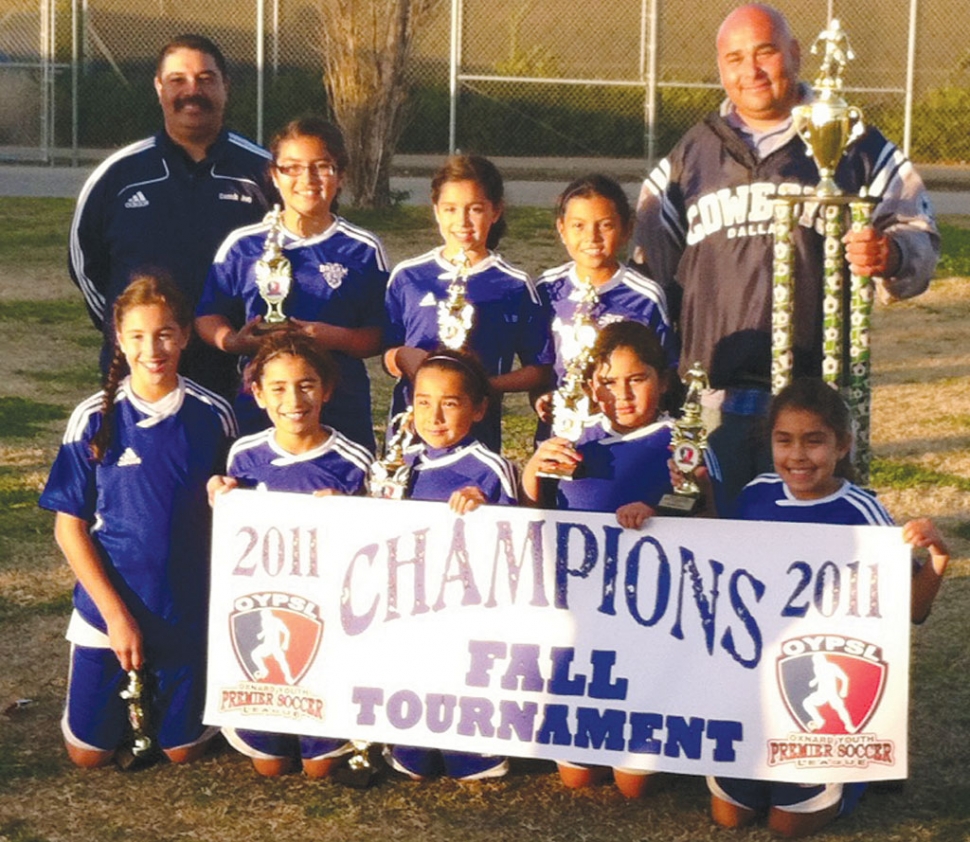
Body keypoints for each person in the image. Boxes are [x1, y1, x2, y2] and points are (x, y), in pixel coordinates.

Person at [631, 3, 939, 511]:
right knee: (711, 534)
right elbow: (648, 269)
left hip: (813, 400)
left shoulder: (854, 139)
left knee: (811, 540)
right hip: (713, 399)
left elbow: (919, 234)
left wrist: (891, 253)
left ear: (795, 54)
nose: (749, 70)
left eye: (765, 52)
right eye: (734, 58)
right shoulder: (695, 152)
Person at [707, 378, 948, 837]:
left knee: (786, 826)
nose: (798, 456)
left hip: (814, 691)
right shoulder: (755, 495)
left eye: (814, 441)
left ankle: (857, 773)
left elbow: (910, 611)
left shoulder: (861, 510)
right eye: (785, 440)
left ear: (842, 446)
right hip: (751, 693)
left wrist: (937, 559)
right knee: (731, 817)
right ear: (770, 443)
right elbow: (717, 562)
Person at [38, 274, 237, 768]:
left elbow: (235, 509)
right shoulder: (94, 418)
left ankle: (160, 695)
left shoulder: (214, 415)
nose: (154, 348)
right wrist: (115, 615)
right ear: (120, 341)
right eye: (139, 336)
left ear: (186, 335)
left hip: (185, 608)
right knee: (88, 756)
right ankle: (131, 687)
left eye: (166, 333)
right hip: (111, 608)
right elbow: (69, 527)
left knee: (181, 751)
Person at [522, 321, 718, 798]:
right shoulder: (577, 439)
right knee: (577, 778)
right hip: (585, 623)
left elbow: (715, 525)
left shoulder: (682, 441)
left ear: (663, 380)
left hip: (653, 626)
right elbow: (534, 523)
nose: (622, 394)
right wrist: (531, 470)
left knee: (633, 785)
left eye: (637, 379)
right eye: (608, 382)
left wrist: (660, 513)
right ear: (591, 386)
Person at [69, 34, 275, 398]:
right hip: (145, 370)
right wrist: (126, 326)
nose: (192, 91)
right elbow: (84, 265)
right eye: (178, 80)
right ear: (159, 87)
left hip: (238, 372)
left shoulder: (264, 173)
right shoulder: (117, 176)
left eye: (206, 79)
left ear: (226, 86)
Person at [207, 332, 371, 777]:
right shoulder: (244, 455)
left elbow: (374, 549)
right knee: (269, 767)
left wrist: (351, 515)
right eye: (278, 388)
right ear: (257, 394)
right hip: (265, 611)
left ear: (327, 389)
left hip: (328, 622)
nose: (293, 399)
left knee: (321, 769)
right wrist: (219, 496)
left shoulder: (355, 461)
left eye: (306, 385)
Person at [195, 116, 389, 451]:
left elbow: (379, 334)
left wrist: (333, 337)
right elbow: (207, 316)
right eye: (292, 168)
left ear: (340, 175)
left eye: (322, 167)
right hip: (264, 406)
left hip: (340, 404)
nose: (308, 179)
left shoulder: (363, 248)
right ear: (274, 175)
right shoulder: (243, 245)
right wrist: (234, 342)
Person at [385, 349, 517, 779]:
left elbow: (518, 546)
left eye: (451, 403)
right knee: (412, 669)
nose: (434, 416)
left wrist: (489, 505)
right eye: (423, 401)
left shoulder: (489, 468)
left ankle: (471, 748)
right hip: (407, 606)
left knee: (461, 673)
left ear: (479, 409)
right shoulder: (397, 462)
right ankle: (410, 740)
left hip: (469, 613)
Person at [383, 154, 549, 452]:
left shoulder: (513, 284)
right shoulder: (409, 276)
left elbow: (538, 368)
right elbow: (386, 351)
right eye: (450, 209)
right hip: (411, 430)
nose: (461, 221)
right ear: (435, 211)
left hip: (478, 434)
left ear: (495, 211)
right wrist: (402, 358)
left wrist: (485, 385)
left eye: (475, 209)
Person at [535, 174, 677, 433]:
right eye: (579, 226)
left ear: (627, 229)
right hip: (559, 431)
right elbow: (539, 364)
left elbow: (664, 368)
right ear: (561, 229)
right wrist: (541, 397)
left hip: (623, 429)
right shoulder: (547, 289)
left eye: (605, 225)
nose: (592, 237)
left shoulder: (645, 296)